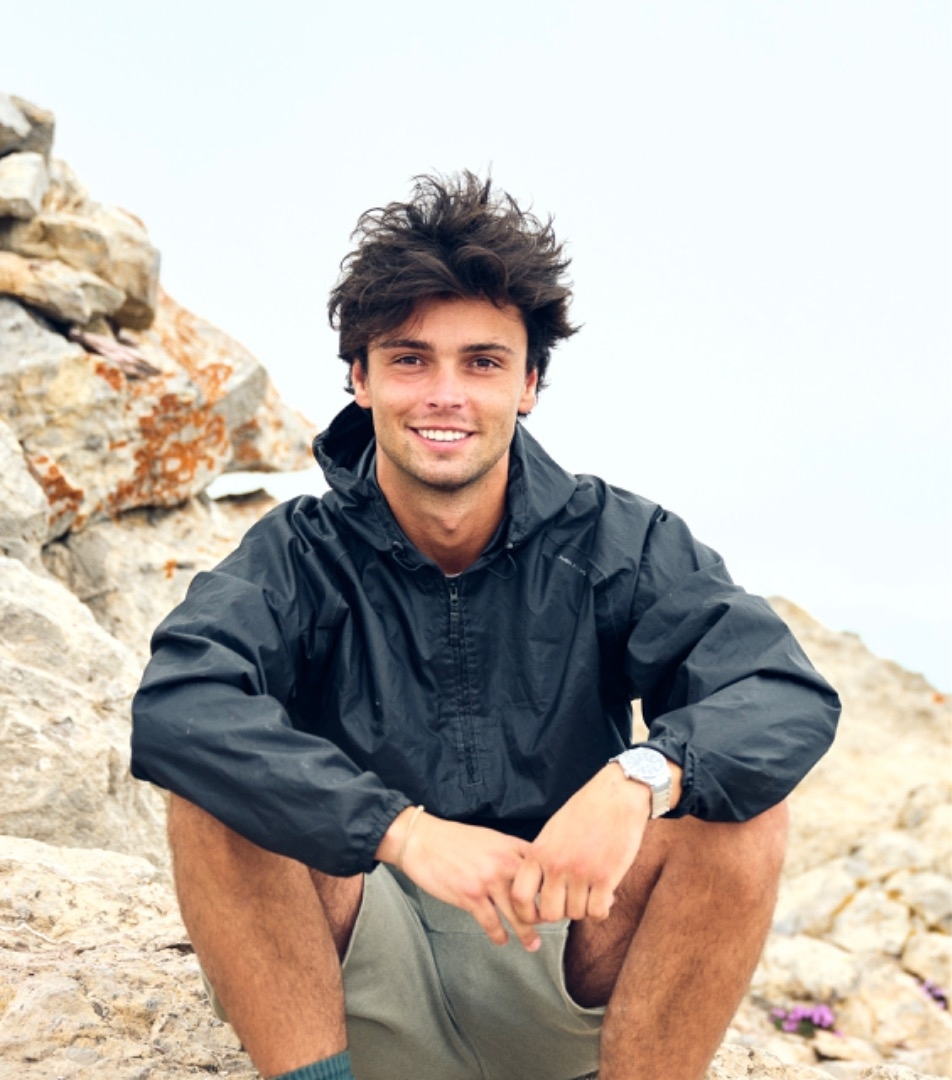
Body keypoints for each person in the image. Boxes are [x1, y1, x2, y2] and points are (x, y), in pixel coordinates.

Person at [131, 173, 840, 1080]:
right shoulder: (297, 554)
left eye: (482, 362)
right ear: (360, 379)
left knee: (739, 810)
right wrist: (402, 831)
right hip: (357, 973)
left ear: (529, 383)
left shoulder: (620, 542)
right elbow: (180, 708)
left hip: (560, 959)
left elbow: (779, 694)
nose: (445, 395)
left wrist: (639, 779)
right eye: (410, 359)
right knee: (213, 788)